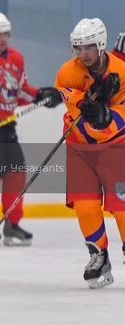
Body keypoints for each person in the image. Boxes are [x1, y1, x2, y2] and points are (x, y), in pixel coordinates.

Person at [0, 12, 62, 247]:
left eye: (5, 33)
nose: (2, 38)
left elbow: (20, 90)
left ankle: (11, 223)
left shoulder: (15, 58)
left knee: (16, 174)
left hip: (7, 127)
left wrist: (40, 95)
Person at [55, 18, 125, 289]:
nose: (83, 53)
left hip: (116, 148)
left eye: (89, 47)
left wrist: (107, 114)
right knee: (85, 205)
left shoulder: (122, 71)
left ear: (102, 44)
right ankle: (98, 256)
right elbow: (75, 110)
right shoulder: (67, 72)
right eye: (78, 48)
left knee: (121, 207)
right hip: (79, 149)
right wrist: (90, 101)